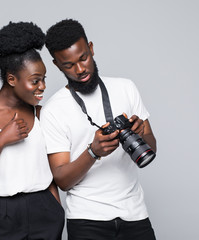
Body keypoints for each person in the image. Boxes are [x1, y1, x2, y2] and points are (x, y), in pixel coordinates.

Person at [40, 19, 157, 240]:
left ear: (91, 48)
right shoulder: (53, 110)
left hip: (135, 214)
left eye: (83, 58)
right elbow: (62, 180)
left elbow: (152, 147)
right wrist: (93, 153)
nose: (80, 69)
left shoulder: (126, 87)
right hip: (87, 221)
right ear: (56, 65)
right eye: (69, 65)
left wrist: (142, 133)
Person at [0, 22, 64, 240]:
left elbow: (50, 168)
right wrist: (0, 141)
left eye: (44, 79)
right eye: (35, 80)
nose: (43, 86)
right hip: (0, 214)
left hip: (44, 209)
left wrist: (56, 207)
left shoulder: (42, 114)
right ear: (11, 79)